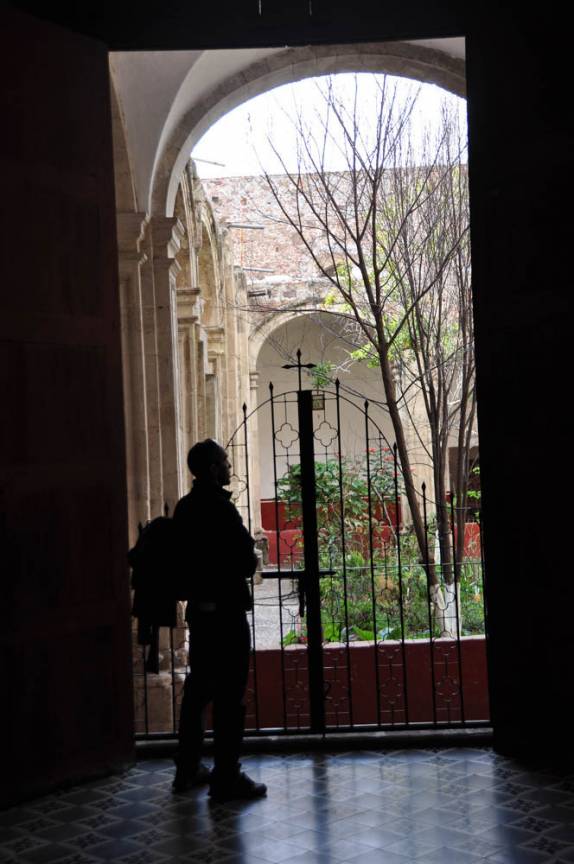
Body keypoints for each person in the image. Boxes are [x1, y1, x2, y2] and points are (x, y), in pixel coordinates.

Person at [172, 439, 267, 803]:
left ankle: (187, 768)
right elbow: (246, 562)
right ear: (213, 468)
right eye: (225, 463)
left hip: (199, 612)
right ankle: (227, 776)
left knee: (197, 691)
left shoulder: (185, 508)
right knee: (229, 695)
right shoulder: (221, 510)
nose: (229, 468)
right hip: (227, 614)